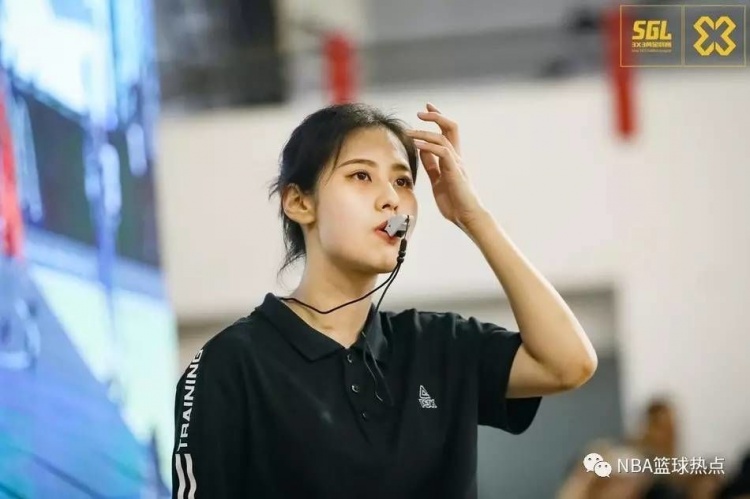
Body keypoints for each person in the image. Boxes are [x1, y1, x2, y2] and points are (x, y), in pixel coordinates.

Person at [171, 102, 598, 499]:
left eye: (403, 181)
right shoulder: (233, 363)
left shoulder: (440, 345)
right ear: (300, 202)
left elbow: (568, 363)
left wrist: (473, 217)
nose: (392, 198)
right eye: (361, 176)